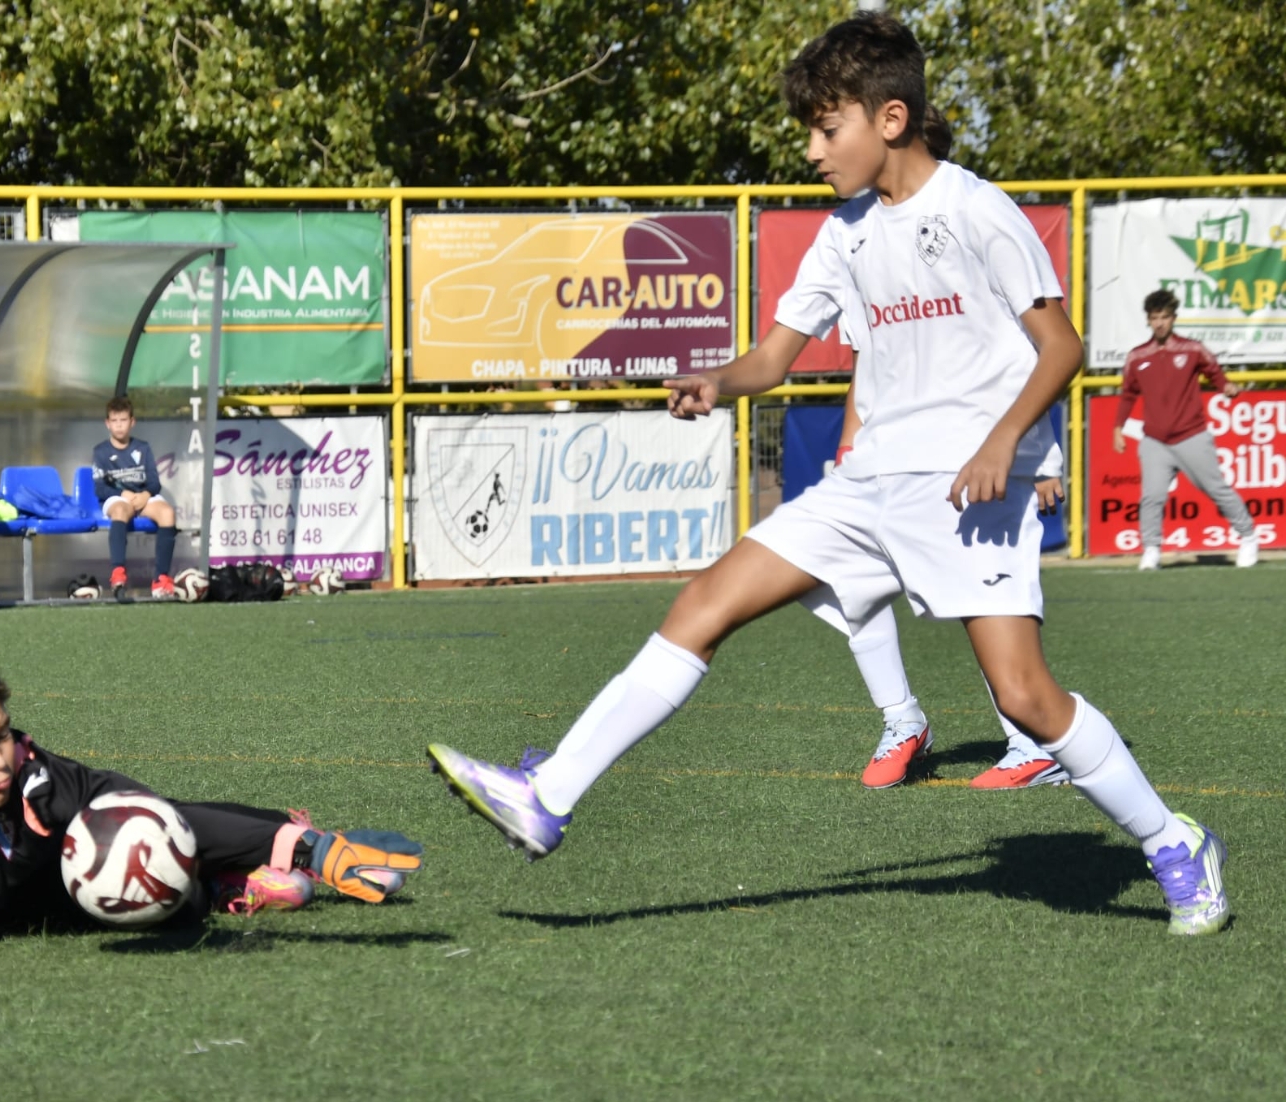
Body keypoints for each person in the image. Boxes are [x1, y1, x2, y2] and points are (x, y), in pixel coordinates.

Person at [427, 12, 1229, 936]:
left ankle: (1173, 840)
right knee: (703, 604)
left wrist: (1005, 442)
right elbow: (772, 359)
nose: (812, 148)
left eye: (825, 127)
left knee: (1025, 698)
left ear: (891, 118)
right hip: (867, 484)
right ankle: (551, 794)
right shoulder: (842, 234)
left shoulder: (977, 210)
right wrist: (717, 382)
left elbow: (1061, 346)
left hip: (969, 490)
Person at [0, 640, 423, 953]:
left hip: (72, 880)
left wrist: (302, 840)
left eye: (2, 734)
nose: (0, 759)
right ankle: (229, 885)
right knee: (178, 907)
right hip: (42, 912)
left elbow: (150, 816)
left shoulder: (31, 777)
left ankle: (261, 862)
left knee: (163, 880)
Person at [803, 393, 1068, 790]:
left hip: (963, 461)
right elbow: (865, 367)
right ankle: (902, 719)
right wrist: (849, 451)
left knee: (980, 595)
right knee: (828, 570)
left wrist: (1043, 457)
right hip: (886, 466)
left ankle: (1032, 741)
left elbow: (1028, 359)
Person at [1115, 289, 1258, 570]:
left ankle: (1248, 537)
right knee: (1151, 496)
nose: (1159, 323)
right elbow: (1128, 394)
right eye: (1154, 318)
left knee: (1216, 489)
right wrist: (1118, 427)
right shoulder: (1137, 356)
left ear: (1173, 318)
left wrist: (1225, 387)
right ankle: (1152, 550)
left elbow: (1215, 372)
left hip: (1191, 435)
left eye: (1165, 317)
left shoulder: (1192, 349)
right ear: (1148, 320)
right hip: (1155, 440)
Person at [93, 396, 178, 600]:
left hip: (143, 497)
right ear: (107, 423)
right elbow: (100, 489)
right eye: (114, 421)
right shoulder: (101, 452)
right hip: (117, 498)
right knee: (121, 511)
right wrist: (123, 494)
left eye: (123, 420)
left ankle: (161, 579)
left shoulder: (143, 448)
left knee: (168, 513)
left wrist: (145, 495)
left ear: (132, 422)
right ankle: (118, 574)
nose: (119, 425)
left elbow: (155, 482)